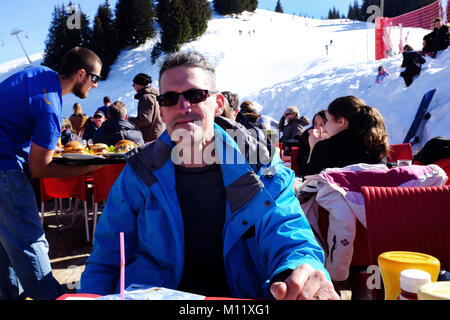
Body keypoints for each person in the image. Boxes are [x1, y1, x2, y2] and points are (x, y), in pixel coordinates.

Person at [79, 50, 339, 300]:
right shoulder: (139, 171)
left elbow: (289, 235)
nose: (182, 106)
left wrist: (296, 273)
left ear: (217, 104)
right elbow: (106, 259)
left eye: (195, 95)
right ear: (162, 109)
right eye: (170, 98)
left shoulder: (261, 167)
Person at [0, 46, 103, 300]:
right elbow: (40, 168)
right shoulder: (50, 105)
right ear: (81, 74)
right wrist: (92, 166)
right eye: (95, 78)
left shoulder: (38, 73)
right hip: (5, 170)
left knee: (5, 248)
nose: (96, 86)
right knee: (29, 243)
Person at [305, 96, 390, 176]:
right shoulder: (376, 144)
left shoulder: (324, 147)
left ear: (341, 122)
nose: (326, 125)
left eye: (327, 120)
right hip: (369, 191)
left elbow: (309, 184)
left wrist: (313, 148)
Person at [128, 73, 164, 142]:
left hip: (151, 138)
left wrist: (129, 121)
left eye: (134, 85)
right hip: (157, 134)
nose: (134, 87)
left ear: (139, 84)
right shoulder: (153, 95)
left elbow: (145, 119)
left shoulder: (146, 97)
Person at [296, 110, 328, 176]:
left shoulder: (335, 143)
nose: (317, 127)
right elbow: (305, 173)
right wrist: (313, 147)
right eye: (315, 124)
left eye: (321, 124)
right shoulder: (307, 137)